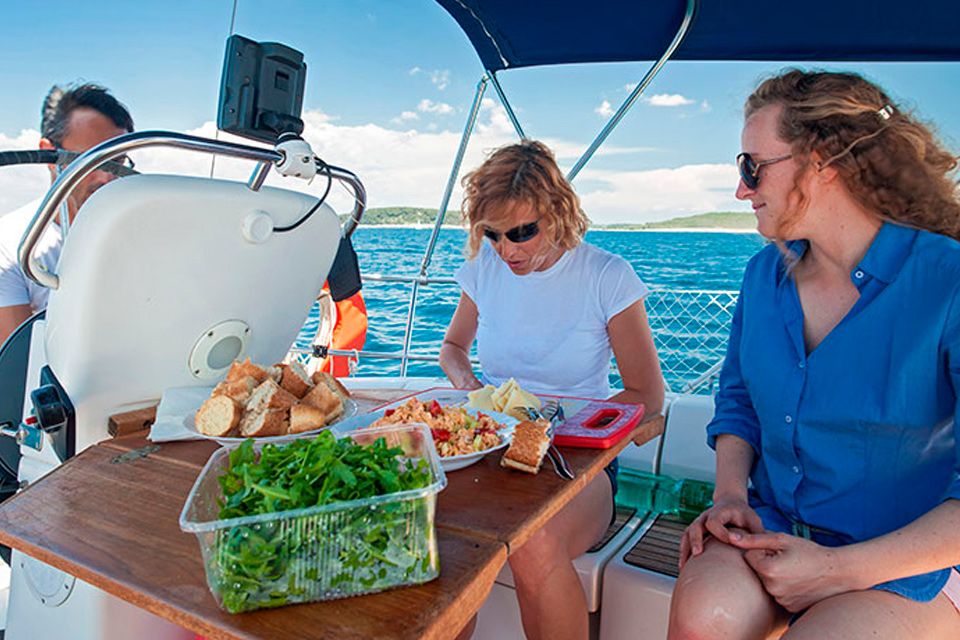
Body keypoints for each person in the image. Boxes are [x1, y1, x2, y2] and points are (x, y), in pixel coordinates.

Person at [668, 70, 960, 639]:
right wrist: (730, 496)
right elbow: (737, 401)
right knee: (704, 618)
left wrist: (835, 571)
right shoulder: (763, 276)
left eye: (752, 167)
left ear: (823, 161)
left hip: (908, 559)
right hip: (775, 526)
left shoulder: (947, 281)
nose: (742, 190)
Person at [439, 140, 665, 640]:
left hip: (578, 463)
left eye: (522, 232)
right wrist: (470, 388)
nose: (507, 250)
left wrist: (556, 427)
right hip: (493, 451)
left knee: (534, 541)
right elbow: (453, 348)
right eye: (493, 234)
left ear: (557, 211)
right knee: (439, 532)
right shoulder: (484, 270)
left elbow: (647, 395)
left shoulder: (606, 275)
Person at [0, 82, 134, 345]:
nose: (107, 177)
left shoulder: (143, 234)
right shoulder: (8, 245)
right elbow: (16, 358)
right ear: (49, 155)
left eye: (118, 162)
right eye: (91, 159)